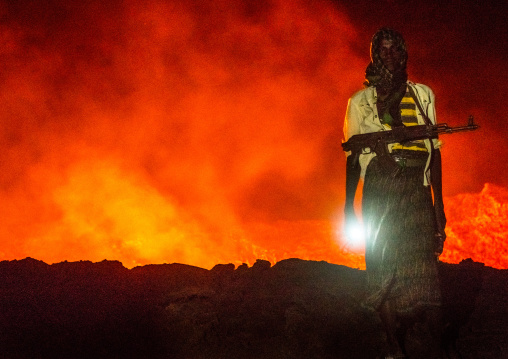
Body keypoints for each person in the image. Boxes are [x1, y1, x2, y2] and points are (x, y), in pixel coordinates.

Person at [343, 28, 447, 358]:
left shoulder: (422, 95)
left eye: (393, 49)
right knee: (382, 265)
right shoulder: (360, 102)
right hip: (379, 189)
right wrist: (348, 206)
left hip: (416, 187)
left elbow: (435, 149)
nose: (388, 55)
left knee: (423, 269)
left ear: (403, 53)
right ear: (374, 55)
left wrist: (439, 204)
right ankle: (393, 348)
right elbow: (354, 157)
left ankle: (438, 346)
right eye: (382, 50)